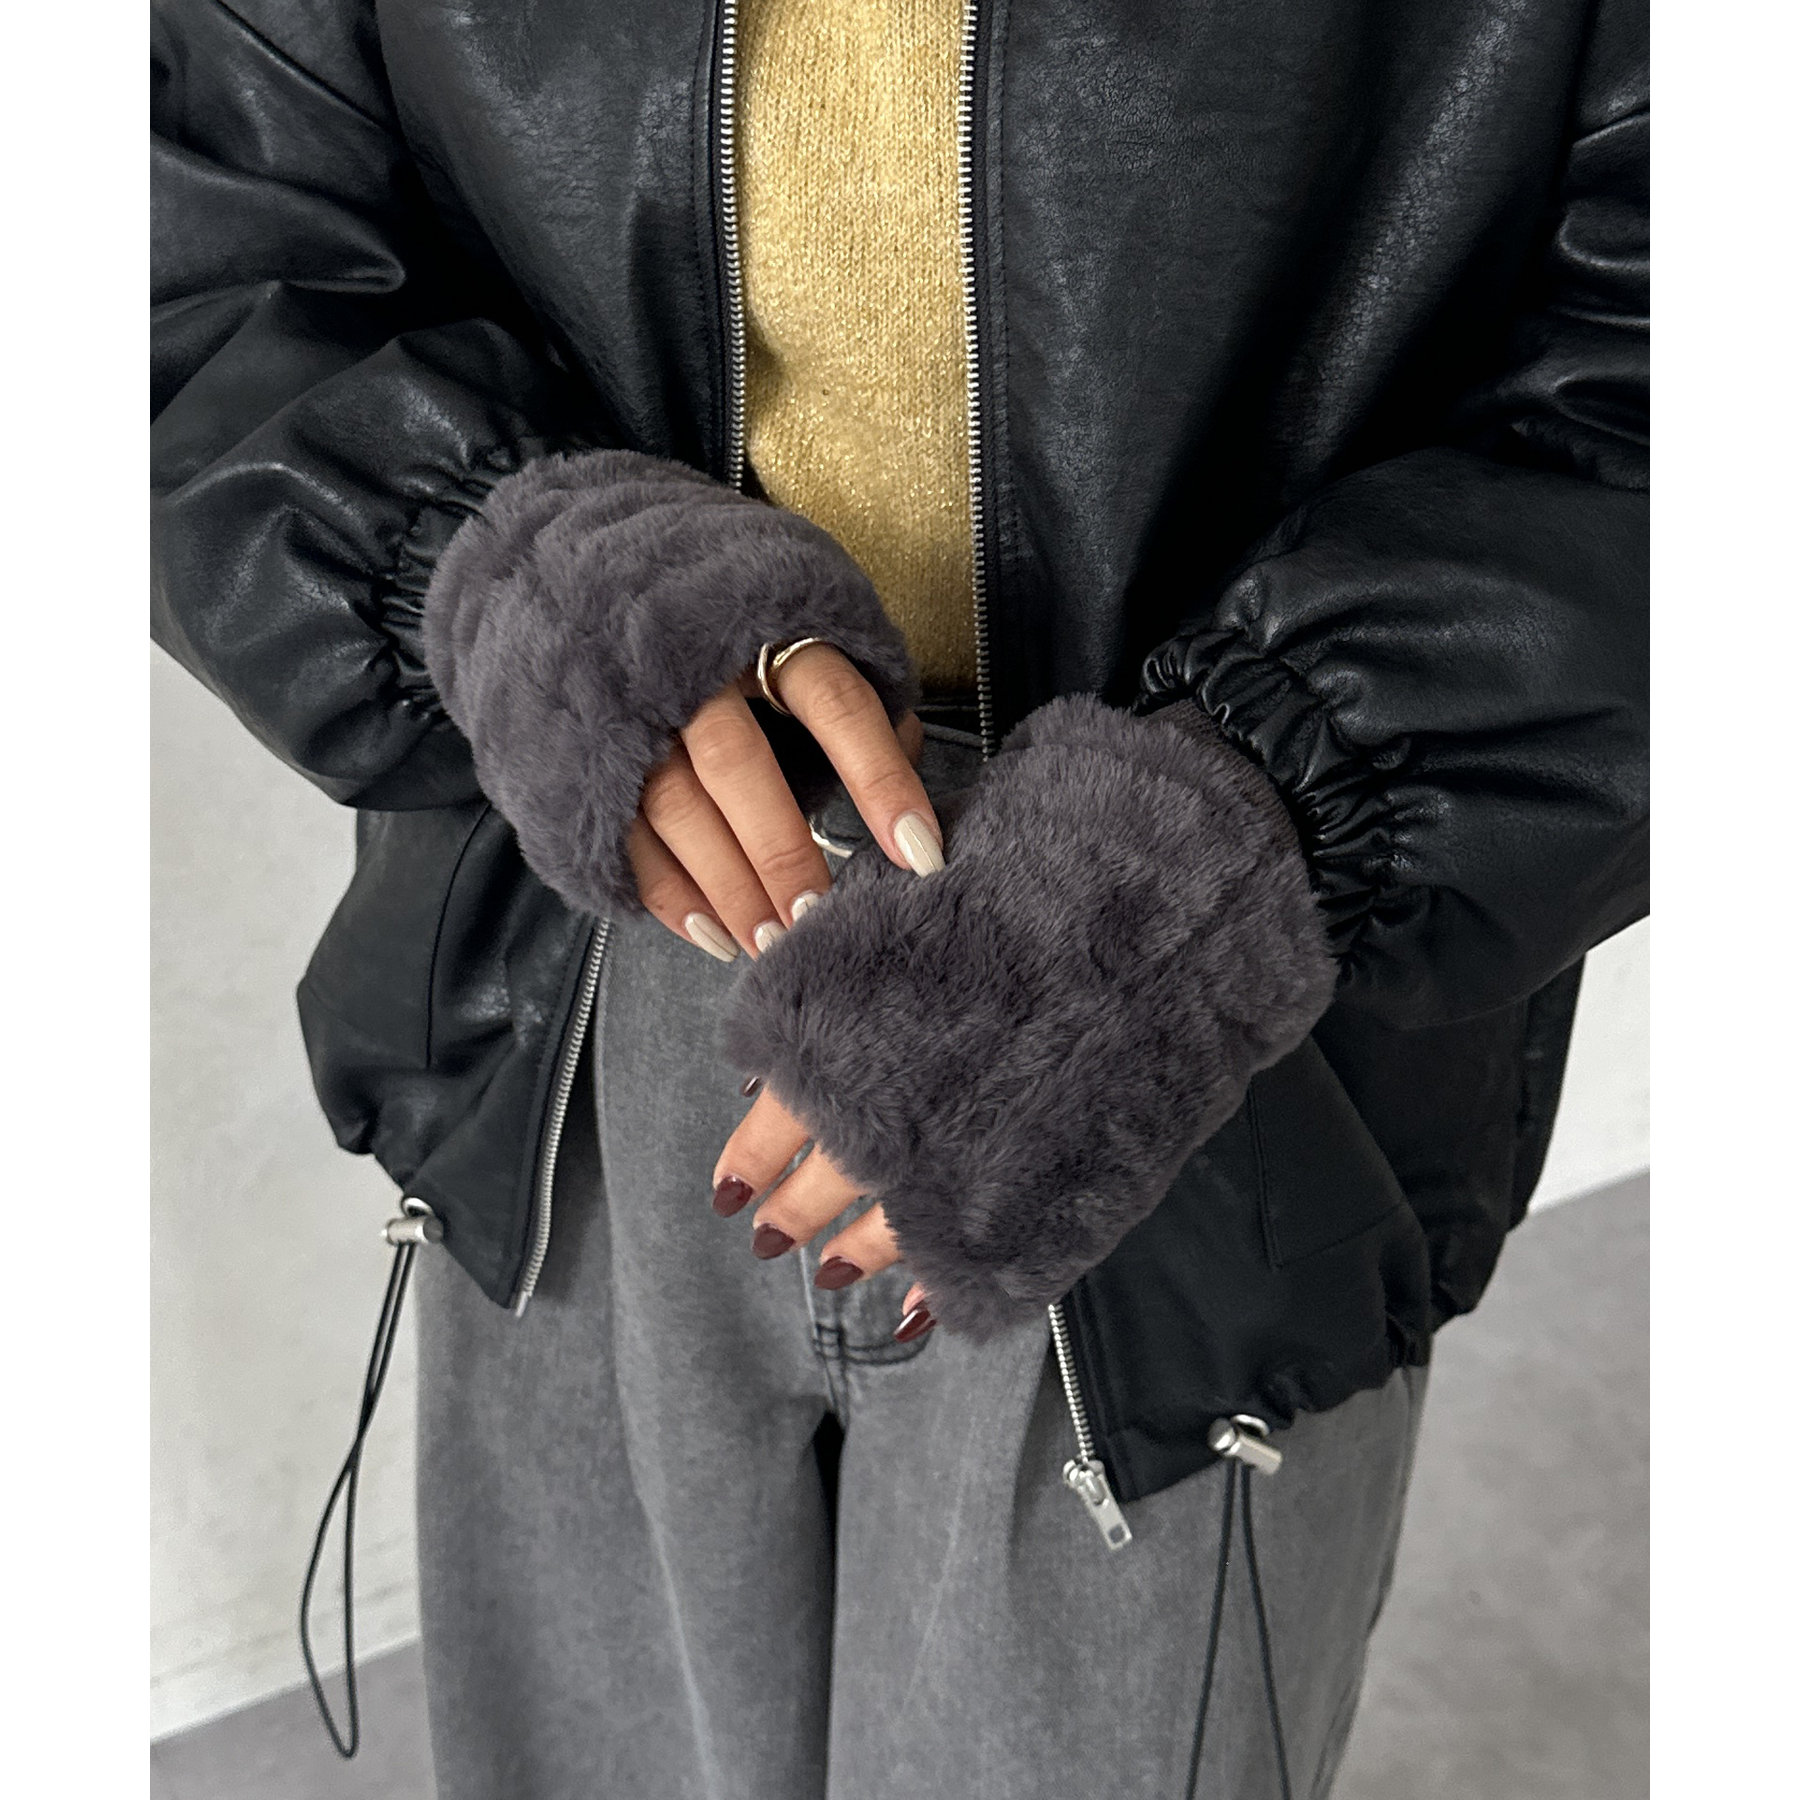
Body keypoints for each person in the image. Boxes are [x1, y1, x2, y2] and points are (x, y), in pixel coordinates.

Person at [151, 0, 1648, 1793]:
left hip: (1207, 1040)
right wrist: (495, 568)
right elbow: (189, 234)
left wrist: (1246, 833)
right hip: (583, 963)